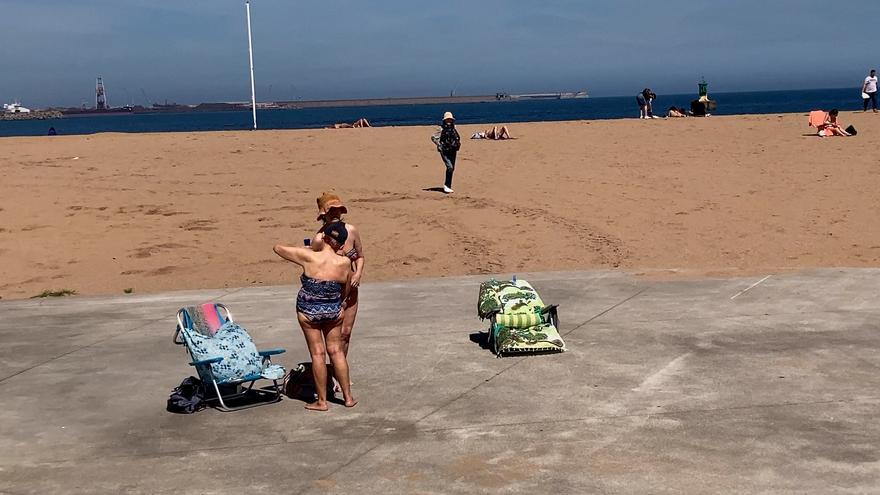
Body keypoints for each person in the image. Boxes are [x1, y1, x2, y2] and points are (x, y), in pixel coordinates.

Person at [273, 221, 357, 411]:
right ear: (341, 244)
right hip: (333, 310)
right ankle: (348, 397)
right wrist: (338, 303)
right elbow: (346, 289)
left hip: (308, 311)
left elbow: (277, 248)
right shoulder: (344, 263)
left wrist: (310, 248)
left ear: (324, 238)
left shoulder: (309, 256)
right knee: (336, 351)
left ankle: (321, 401)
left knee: (317, 353)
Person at [315, 192, 364, 363]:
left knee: (346, 333)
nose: (336, 214)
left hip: (351, 290)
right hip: (331, 292)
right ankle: (334, 370)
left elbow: (359, 256)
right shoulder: (320, 237)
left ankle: (339, 374)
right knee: (332, 339)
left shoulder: (351, 230)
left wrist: (357, 273)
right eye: (332, 211)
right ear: (324, 214)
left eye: (338, 211)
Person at [431, 111, 460, 194]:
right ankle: (446, 186)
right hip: (444, 150)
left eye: (450, 120)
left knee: (452, 168)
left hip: (453, 150)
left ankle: (448, 186)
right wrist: (439, 144)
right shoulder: (441, 129)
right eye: (447, 120)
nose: (449, 121)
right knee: (450, 167)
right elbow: (433, 137)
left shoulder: (454, 128)